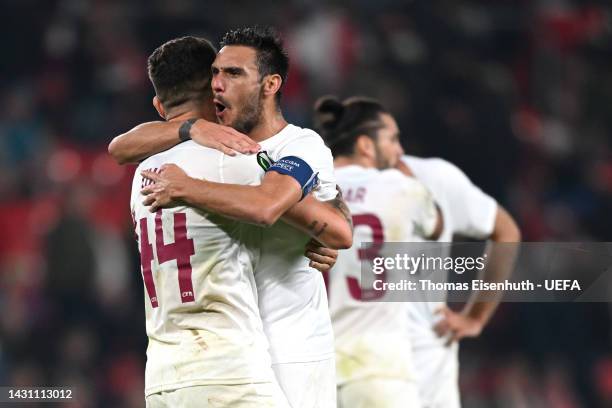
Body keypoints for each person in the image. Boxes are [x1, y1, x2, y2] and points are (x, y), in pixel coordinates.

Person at [110, 27, 351, 408]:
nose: (220, 84)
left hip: (291, 349)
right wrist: (191, 127)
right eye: (216, 74)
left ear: (269, 85)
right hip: (232, 357)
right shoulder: (220, 151)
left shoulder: (298, 145)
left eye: (233, 74)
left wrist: (185, 184)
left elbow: (325, 222)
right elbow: (119, 146)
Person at [130, 35, 291, 408]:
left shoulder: (140, 174)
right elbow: (310, 220)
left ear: (158, 105)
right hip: (227, 374)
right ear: (214, 88)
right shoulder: (231, 157)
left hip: (162, 378)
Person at [313, 95, 443, 408]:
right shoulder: (401, 187)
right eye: (393, 139)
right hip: (379, 369)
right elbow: (435, 224)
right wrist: (406, 174)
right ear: (366, 145)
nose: (399, 151)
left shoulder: (308, 188)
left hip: (315, 371)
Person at [397, 149, 521, 407]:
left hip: (426, 367)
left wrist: (476, 317)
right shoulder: (327, 183)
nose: (396, 149)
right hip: (350, 361)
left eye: (394, 138)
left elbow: (506, 232)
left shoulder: (434, 177)